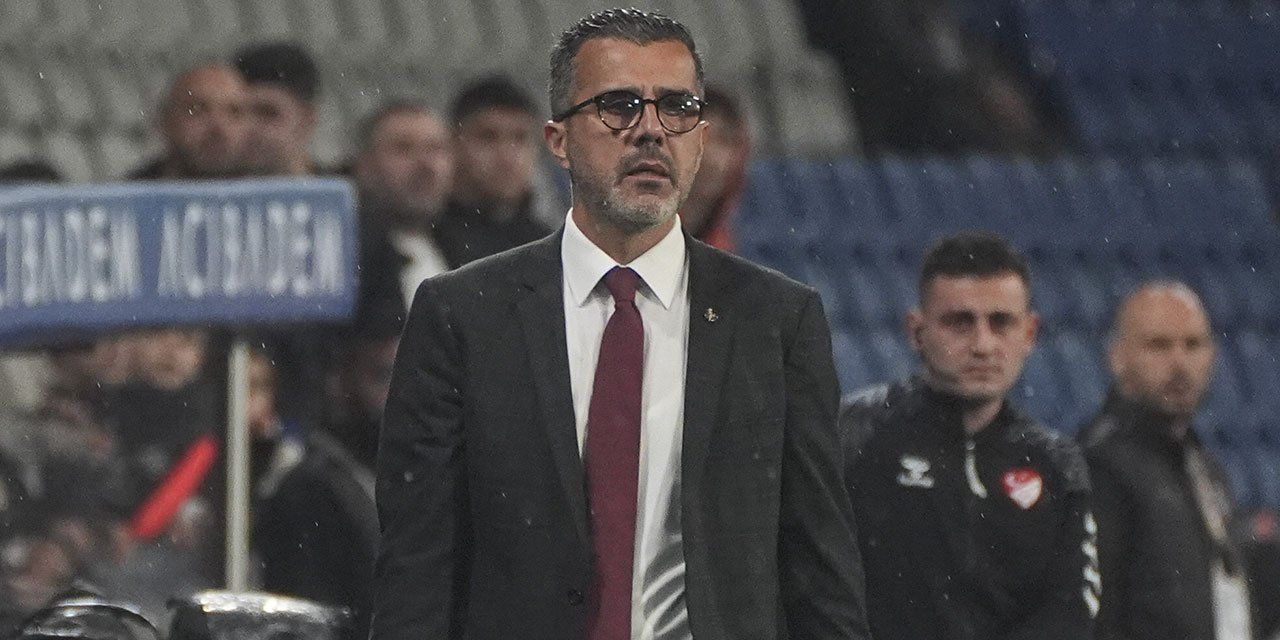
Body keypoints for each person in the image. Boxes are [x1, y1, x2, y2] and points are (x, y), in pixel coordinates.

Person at [370, 8, 868, 640]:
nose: (651, 131)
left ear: (700, 140)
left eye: (677, 108)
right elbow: (416, 571)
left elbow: (820, 570)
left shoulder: (778, 322)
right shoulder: (460, 316)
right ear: (558, 141)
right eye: (620, 106)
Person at [841, 231, 1096, 640]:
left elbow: (1070, 611)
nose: (982, 345)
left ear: (1030, 334)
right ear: (917, 332)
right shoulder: (854, 436)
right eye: (960, 323)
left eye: (1001, 322)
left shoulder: (1054, 463)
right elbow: (810, 583)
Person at [1079, 281, 1253, 640]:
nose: (1179, 362)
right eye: (1159, 345)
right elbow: (1095, 615)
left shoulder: (1203, 466)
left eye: (1193, 345)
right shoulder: (1100, 465)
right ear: (1118, 357)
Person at [434, 76, 554, 267]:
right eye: (488, 137)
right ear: (453, 144)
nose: (506, 156)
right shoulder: (425, 241)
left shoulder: (550, 248)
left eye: (520, 138)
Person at [352, 102, 455, 320]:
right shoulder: (350, 257)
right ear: (365, 165)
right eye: (404, 149)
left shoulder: (473, 248)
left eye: (435, 149)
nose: (425, 164)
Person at [129, 64, 250, 180]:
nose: (219, 127)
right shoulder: (129, 192)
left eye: (235, 111)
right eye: (197, 109)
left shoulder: (260, 189)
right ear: (165, 121)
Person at [678, 86, 749, 252]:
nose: (712, 157)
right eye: (703, 139)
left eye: (724, 140)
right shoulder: (639, 238)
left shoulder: (724, 246)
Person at [234, 42, 321, 176]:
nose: (248, 127)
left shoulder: (348, 188)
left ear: (306, 120)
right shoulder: (208, 187)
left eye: (267, 113)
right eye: (236, 113)